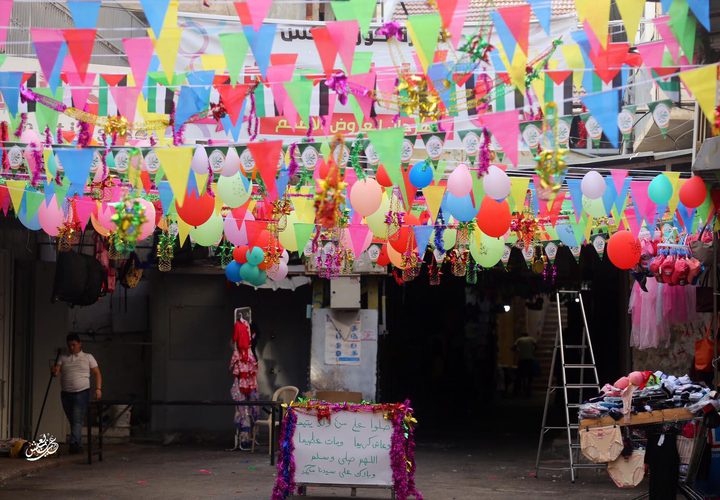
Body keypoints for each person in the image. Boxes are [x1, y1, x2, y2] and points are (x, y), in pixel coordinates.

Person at [51, 334, 102, 454]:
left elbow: (97, 373)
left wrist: (98, 389)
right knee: (73, 420)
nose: (72, 347)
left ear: (80, 344)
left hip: (81, 392)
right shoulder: (63, 358)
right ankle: (78, 444)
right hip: (66, 393)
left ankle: (73, 444)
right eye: (69, 345)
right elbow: (56, 372)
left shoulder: (88, 357)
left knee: (77, 419)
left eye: (74, 345)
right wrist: (53, 370)